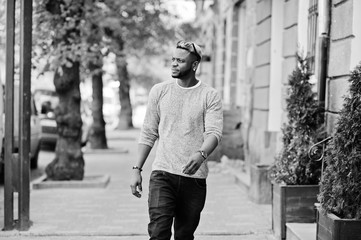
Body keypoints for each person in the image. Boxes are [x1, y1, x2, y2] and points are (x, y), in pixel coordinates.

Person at [130, 40, 223, 240]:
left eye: (180, 61)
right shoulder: (159, 91)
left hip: (194, 179)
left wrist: (201, 155)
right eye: (173, 59)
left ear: (194, 65)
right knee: (158, 233)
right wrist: (137, 169)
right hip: (162, 174)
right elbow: (148, 132)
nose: (174, 64)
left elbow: (214, 133)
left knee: (184, 235)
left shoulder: (209, 95)